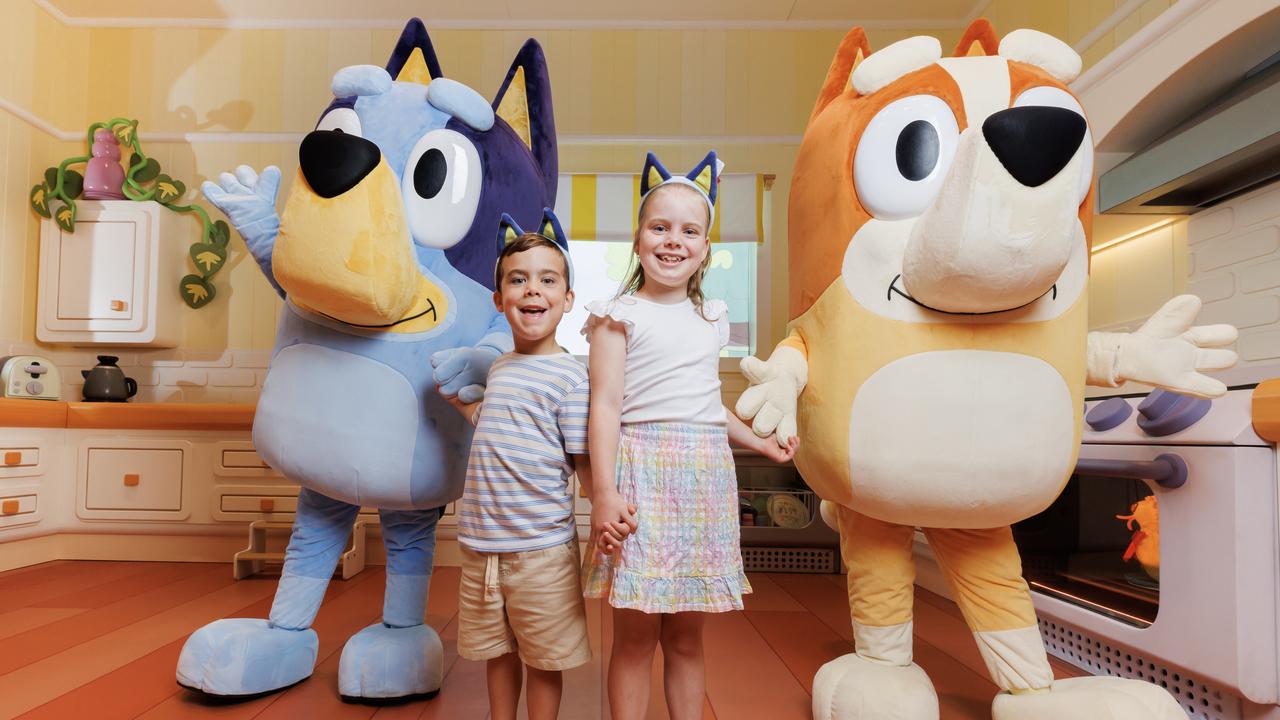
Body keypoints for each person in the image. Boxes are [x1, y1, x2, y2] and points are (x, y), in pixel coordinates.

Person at [581, 152, 798, 720]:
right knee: (632, 639)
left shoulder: (712, 318)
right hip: (641, 478)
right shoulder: (616, 315)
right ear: (637, 240)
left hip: (703, 480)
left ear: (705, 247)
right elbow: (603, 407)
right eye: (659, 227)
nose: (673, 240)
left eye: (689, 230)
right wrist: (604, 492)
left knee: (685, 638)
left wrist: (759, 441)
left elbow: (706, 407)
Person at [441, 211, 601, 720]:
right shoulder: (502, 368)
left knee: (543, 657)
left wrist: (607, 511)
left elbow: (582, 462)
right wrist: (462, 405)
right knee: (496, 650)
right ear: (500, 300)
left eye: (547, 280)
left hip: (541, 552)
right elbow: (496, 421)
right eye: (518, 280)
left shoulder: (571, 378)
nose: (533, 290)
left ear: (568, 299)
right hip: (482, 544)